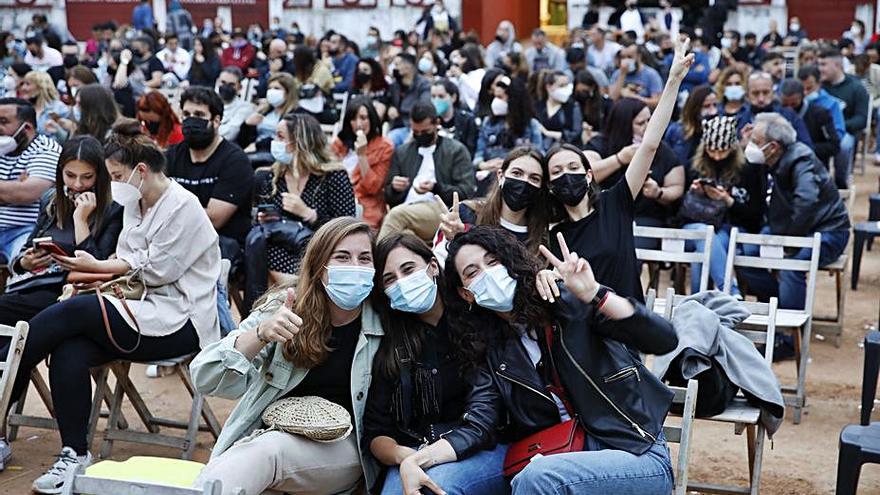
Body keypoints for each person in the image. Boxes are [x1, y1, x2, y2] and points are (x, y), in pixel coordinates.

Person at [4, 120, 219, 494]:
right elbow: (127, 261)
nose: (112, 183)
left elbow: (151, 269)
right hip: (135, 304)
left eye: (115, 175)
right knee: (68, 346)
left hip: (179, 319)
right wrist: (90, 267)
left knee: (71, 314)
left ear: (140, 170)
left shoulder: (183, 206)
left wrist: (90, 266)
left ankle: (5, 380)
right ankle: (75, 454)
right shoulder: (138, 202)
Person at [441, 226, 677, 494]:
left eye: (493, 261)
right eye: (473, 273)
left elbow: (663, 339)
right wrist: (416, 459)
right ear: (466, 294)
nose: (488, 274)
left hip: (635, 452)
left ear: (510, 262)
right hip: (559, 452)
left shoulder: (566, 302)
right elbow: (481, 419)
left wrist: (594, 294)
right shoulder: (492, 349)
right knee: (450, 482)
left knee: (538, 478)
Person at [191, 217, 382, 495]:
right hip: (269, 436)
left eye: (365, 258)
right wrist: (260, 334)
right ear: (320, 266)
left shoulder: (384, 324)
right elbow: (205, 377)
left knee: (269, 452)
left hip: (344, 447)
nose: (355, 266)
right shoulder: (285, 308)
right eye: (342, 257)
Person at [544, 35, 694, 302]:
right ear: (550, 186)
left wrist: (673, 81)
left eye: (572, 167)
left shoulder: (614, 203)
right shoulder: (552, 234)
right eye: (556, 172)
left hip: (626, 329)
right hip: (580, 335)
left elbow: (649, 144)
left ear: (588, 174)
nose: (566, 174)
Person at [365, 233, 508, 495]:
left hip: (482, 445)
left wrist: (422, 459)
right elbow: (376, 432)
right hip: (415, 451)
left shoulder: (475, 317)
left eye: (408, 269)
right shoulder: (392, 343)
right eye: (390, 279)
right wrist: (404, 456)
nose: (403, 282)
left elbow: (485, 416)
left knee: (437, 488)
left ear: (432, 267)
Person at [0, 135, 122, 326]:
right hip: (37, 282)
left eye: (87, 177)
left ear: (100, 175)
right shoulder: (51, 200)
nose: (78, 185)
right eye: (70, 175)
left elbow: (96, 266)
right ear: (60, 173)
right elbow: (25, 251)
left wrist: (80, 220)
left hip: (73, 292)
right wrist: (25, 261)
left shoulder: (113, 209)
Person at [738, 113, 850, 310]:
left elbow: (806, 203)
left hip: (827, 231)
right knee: (747, 255)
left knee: (791, 266)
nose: (751, 146)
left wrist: (789, 243)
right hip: (786, 225)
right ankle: (779, 305)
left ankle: (789, 332)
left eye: (755, 141)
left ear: (773, 147)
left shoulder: (801, 159)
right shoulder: (768, 159)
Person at [247, 113, 355, 308]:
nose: (275, 142)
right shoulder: (273, 177)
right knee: (260, 245)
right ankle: (289, 304)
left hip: (319, 249)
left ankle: (291, 302)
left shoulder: (333, 176)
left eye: (280, 136)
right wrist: (267, 218)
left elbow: (347, 229)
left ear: (300, 142)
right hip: (278, 248)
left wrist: (308, 214)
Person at [679, 115, 765, 296]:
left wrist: (728, 201)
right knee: (704, 234)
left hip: (728, 227)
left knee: (705, 251)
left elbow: (755, 216)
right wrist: (695, 195)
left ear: (732, 148)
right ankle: (730, 291)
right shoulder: (693, 168)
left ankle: (698, 299)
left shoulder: (747, 171)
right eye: (712, 151)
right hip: (695, 225)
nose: (717, 157)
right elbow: (678, 212)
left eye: (722, 151)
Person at [165, 87, 254, 260]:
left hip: (219, 244)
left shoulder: (235, 161)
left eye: (199, 115)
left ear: (216, 121)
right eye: (186, 114)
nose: (191, 120)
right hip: (174, 240)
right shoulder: (171, 156)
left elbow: (213, 220)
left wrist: (168, 214)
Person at [583, 98, 684, 244]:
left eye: (649, 120)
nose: (647, 126)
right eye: (640, 123)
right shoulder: (600, 144)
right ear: (623, 124)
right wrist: (619, 159)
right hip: (603, 215)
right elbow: (585, 174)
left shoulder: (659, 149)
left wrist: (659, 192)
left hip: (645, 218)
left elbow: (677, 185)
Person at [432, 146, 549, 266]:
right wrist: (452, 241)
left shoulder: (543, 236)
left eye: (534, 178)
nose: (524, 182)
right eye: (517, 173)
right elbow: (437, 269)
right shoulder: (465, 213)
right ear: (500, 176)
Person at [380, 101, 475, 243]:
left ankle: (374, 262)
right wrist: (395, 189)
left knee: (396, 216)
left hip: (441, 209)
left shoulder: (456, 151)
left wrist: (435, 187)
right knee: (405, 236)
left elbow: (466, 192)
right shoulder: (403, 152)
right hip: (409, 208)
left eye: (425, 132)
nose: (420, 136)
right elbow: (388, 196)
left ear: (437, 123)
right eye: (416, 132)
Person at [0, 98, 60, 266]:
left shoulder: (46, 149)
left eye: (3, 122)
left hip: (24, 230)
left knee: (29, 262)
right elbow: (17, 192)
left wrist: (16, 191)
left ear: (26, 127)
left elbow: (26, 194)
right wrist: (11, 189)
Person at [331, 97, 394, 231]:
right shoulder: (339, 144)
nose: (359, 124)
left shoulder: (384, 146)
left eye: (363, 118)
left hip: (365, 204)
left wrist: (362, 155)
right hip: (335, 200)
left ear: (371, 119)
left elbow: (373, 188)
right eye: (353, 119)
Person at [473, 76, 542, 194]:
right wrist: (484, 165)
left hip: (518, 178)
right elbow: (478, 155)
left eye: (500, 97)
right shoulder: (488, 123)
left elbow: (540, 154)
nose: (496, 101)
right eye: (495, 97)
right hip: (490, 177)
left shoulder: (531, 126)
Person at [818, 47, 868, 188]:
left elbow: (862, 119)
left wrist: (839, 126)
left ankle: (841, 183)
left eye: (824, 65)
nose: (820, 69)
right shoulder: (819, 87)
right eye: (819, 64)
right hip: (820, 130)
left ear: (837, 65)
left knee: (844, 145)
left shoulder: (857, 87)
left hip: (845, 130)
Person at [738, 72, 813, 146]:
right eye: (755, 93)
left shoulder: (789, 116)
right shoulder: (740, 120)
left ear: (773, 93)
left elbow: (806, 146)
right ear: (747, 96)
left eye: (766, 92)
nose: (761, 99)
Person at [779, 78, 841, 168]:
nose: (790, 110)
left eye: (794, 104)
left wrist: (805, 148)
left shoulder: (820, 114)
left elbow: (834, 146)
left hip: (814, 164)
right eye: (785, 105)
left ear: (803, 96)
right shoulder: (776, 113)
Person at [664, 85, 718, 168]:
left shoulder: (719, 129)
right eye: (706, 106)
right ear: (695, 109)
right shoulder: (677, 130)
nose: (712, 111)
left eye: (715, 105)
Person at [387, 53, 432, 148]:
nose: (395, 68)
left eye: (397, 64)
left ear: (409, 66)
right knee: (388, 144)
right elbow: (389, 101)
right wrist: (390, 108)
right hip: (396, 126)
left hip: (414, 126)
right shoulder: (394, 85)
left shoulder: (423, 85)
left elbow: (424, 106)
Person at [246, 72, 298, 149]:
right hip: (254, 149)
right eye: (270, 88)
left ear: (288, 93)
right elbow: (247, 139)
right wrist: (247, 126)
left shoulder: (295, 115)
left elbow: (285, 140)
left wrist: (258, 145)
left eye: (277, 88)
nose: (272, 91)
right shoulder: (264, 111)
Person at [534, 70, 583, 150]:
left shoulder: (573, 106)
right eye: (561, 86)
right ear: (549, 87)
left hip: (565, 149)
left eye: (566, 85)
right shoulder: (538, 106)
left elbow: (575, 134)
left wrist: (548, 133)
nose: (566, 89)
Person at [431, 78, 478, 156]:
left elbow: (470, 150)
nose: (436, 100)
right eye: (433, 96)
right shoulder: (430, 120)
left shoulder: (467, 120)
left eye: (441, 96)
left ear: (453, 97)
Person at [610, 43, 663, 108]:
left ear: (639, 56)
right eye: (623, 57)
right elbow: (612, 100)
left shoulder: (651, 74)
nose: (626, 61)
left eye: (630, 57)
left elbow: (657, 102)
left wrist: (633, 97)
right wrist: (622, 74)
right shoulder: (617, 73)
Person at [19, 71, 69, 138]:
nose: (23, 88)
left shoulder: (59, 108)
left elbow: (67, 138)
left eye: (28, 84)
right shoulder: (22, 108)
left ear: (41, 87)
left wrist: (57, 130)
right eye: (23, 84)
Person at [216, 66, 254, 143]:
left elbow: (230, 134)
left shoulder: (245, 108)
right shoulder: (207, 103)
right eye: (223, 82)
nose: (226, 87)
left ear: (239, 87)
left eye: (231, 84)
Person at [573, 69, 611, 141]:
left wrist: (596, 134)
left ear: (592, 87)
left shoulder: (605, 104)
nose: (581, 94)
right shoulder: (574, 103)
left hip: (599, 139)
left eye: (584, 91)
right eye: (578, 91)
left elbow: (608, 129)